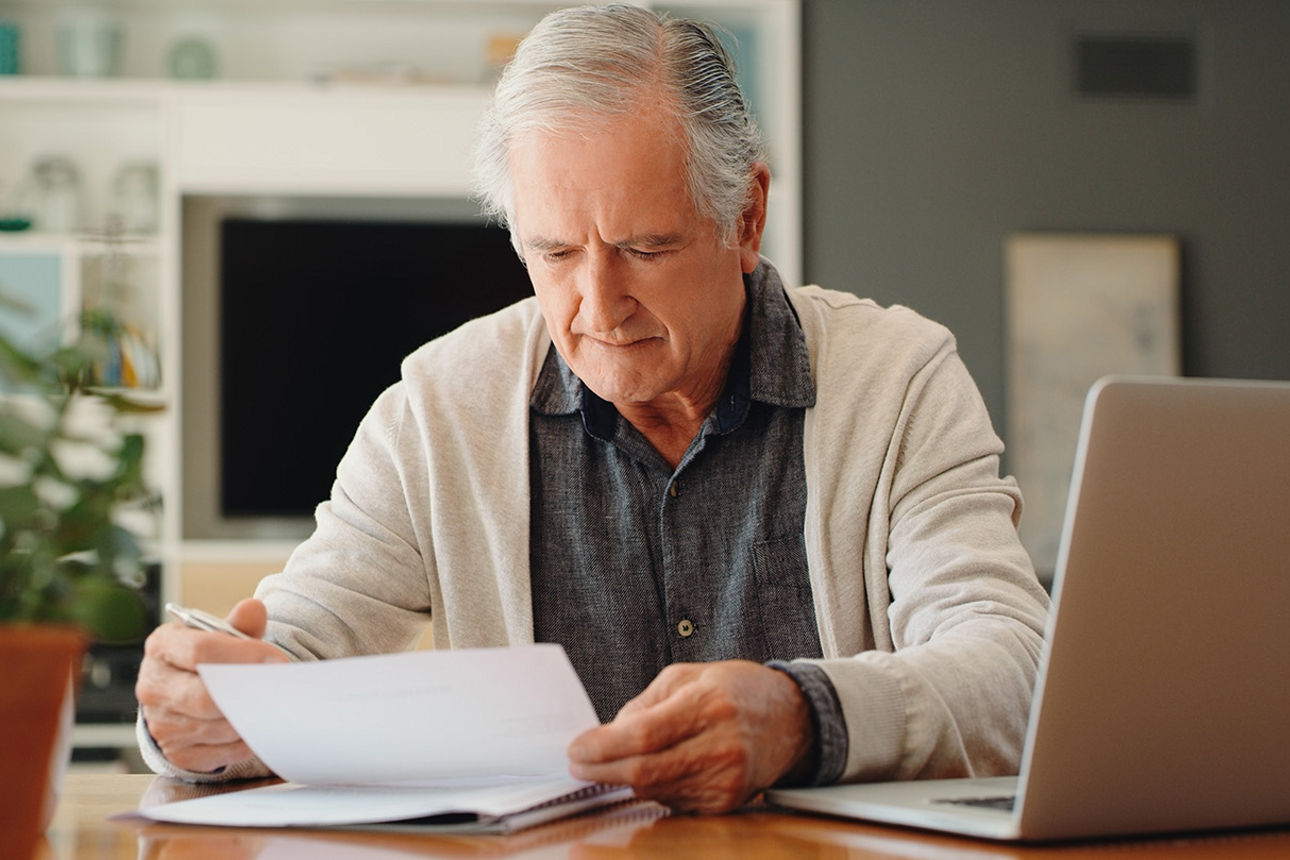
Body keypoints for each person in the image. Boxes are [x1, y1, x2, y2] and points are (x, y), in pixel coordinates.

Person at [136, 4, 1049, 814]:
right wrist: (200, 714)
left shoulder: (898, 381)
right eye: (556, 253)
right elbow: (286, 656)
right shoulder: (437, 411)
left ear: (746, 217)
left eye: (644, 248)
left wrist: (801, 717)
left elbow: (1015, 672)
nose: (598, 308)